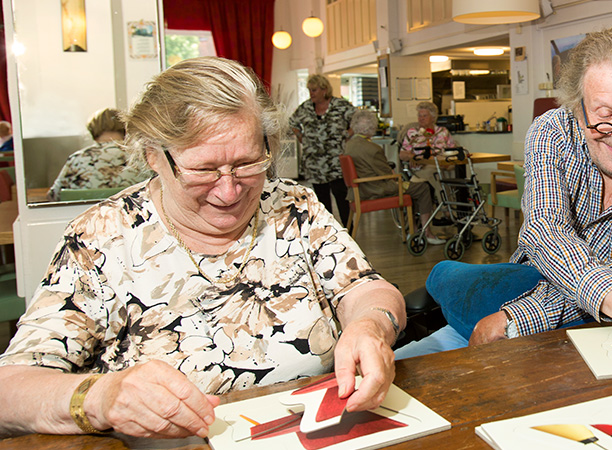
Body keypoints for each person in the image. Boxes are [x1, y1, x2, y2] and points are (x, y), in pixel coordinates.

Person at [0, 57, 406, 438]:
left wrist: (370, 325)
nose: (229, 191)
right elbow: (12, 388)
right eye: (204, 170)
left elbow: (366, 288)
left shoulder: (292, 206)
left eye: (248, 163)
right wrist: (101, 396)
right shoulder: (100, 237)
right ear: (153, 156)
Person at [395, 26, 612, 365]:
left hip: (596, 313)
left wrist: (515, 321)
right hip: (531, 283)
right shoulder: (552, 131)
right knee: (410, 360)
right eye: (603, 115)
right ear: (578, 108)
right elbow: (546, 233)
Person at [344, 110, 444, 244]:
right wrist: (395, 174)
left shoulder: (350, 144)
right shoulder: (373, 149)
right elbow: (387, 175)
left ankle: (412, 230)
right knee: (422, 188)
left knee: (412, 188)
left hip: (359, 189)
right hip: (375, 189)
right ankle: (427, 233)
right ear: (372, 127)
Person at [47, 108, 154, 201]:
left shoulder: (77, 159)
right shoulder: (142, 157)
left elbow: (54, 196)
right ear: (126, 127)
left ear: (92, 130)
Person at [290, 74, 354, 226]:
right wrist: (302, 137)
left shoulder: (340, 105)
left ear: (324, 90)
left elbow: (358, 121)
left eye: (314, 90)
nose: (311, 93)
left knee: (342, 197)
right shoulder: (305, 107)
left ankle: (349, 230)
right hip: (315, 164)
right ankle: (329, 231)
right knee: (322, 200)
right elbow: (292, 123)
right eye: (309, 90)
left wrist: (346, 135)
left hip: (336, 162)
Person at [397, 101, 457, 184]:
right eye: (419, 115)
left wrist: (447, 161)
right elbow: (402, 154)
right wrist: (413, 157)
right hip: (423, 166)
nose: (421, 118)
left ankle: (459, 195)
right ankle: (444, 196)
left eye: (425, 116)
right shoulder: (412, 132)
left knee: (458, 169)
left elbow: (453, 150)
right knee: (435, 173)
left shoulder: (443, 131)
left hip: (442, 164)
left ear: (433, 117)